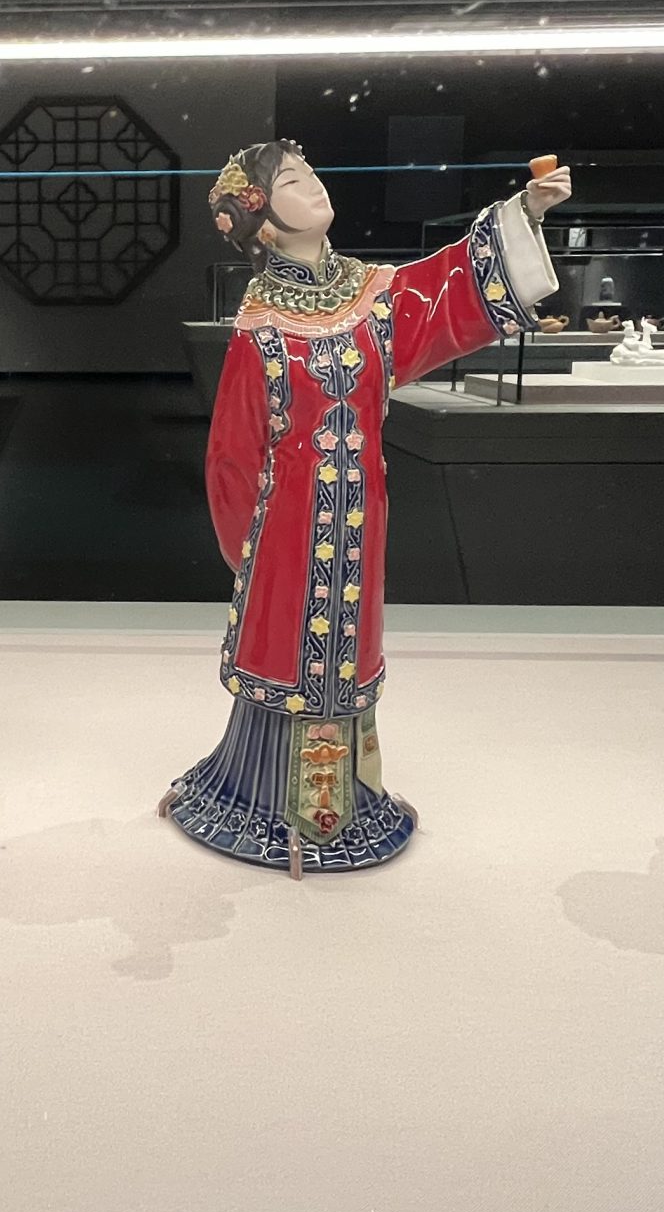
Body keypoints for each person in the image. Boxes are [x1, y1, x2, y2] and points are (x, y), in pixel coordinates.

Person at [164, 143, 569, 874]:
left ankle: (352, 793)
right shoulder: (260, 323)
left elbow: (442, 290)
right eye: (292, 182)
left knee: (349, 646)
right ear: (261, 220)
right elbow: (232, 451)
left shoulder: (371, 294)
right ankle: (263, 800)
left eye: (312, 174)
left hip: (360, 512)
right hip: (285, 525)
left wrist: (523, 216)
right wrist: (247, 552)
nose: (314, 186)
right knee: (288, 648)